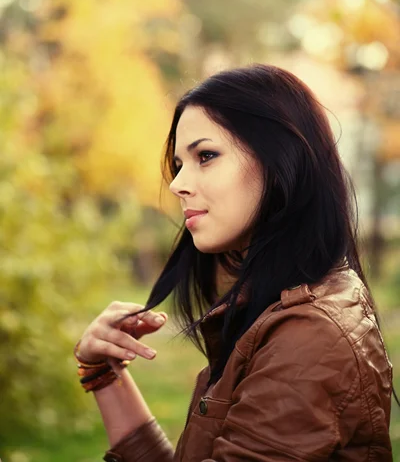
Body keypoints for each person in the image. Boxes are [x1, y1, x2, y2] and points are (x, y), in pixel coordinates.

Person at [75, 64, 395, 462]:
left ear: (280, 161)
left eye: (205, 156)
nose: (176, 184)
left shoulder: (310, 336)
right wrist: (104, 373)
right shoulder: (285, 308)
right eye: (178, 165)